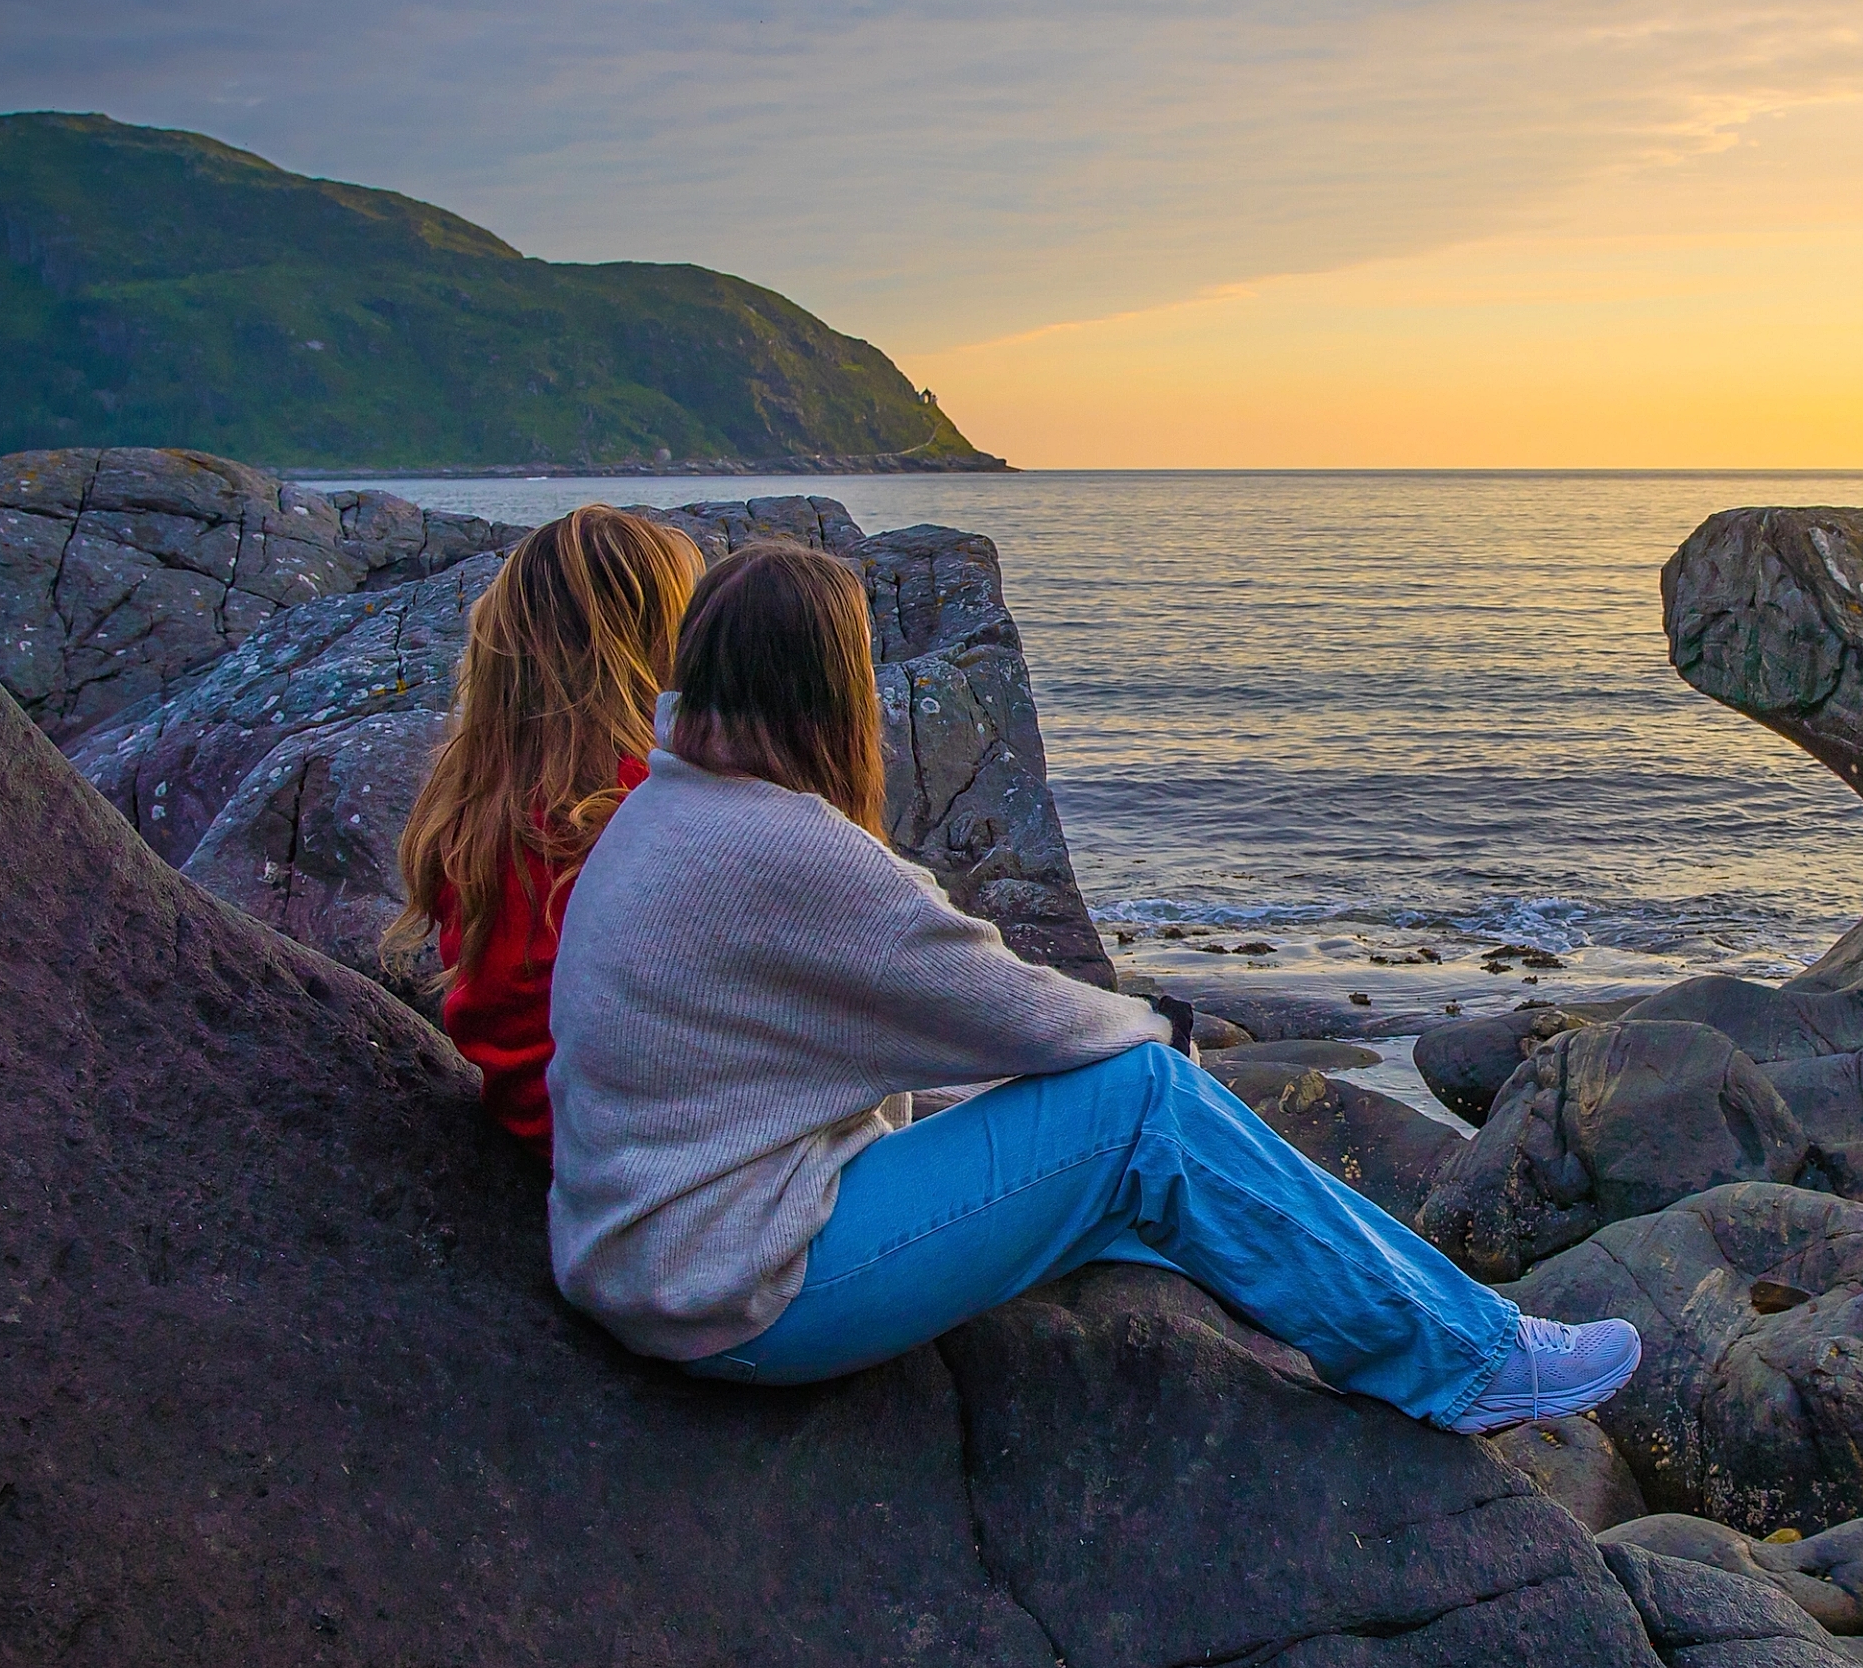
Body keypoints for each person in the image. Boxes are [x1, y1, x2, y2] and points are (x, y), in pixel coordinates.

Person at [546, 542, 1639, 1431]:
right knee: (1144, 1103)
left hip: (656, 1263)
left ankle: (1388, 1311)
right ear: (830, 687)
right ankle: (1470, 1359)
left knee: (1118, 1158)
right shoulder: (775, 845)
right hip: (739, 1293)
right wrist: (1154, 1025)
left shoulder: (665, 813)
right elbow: (998, 1002)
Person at [388, 504, 708, 1150]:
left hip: (538, 1122)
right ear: (656, 638)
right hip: (650, 1152)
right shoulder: (642, 802)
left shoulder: (478, 795)